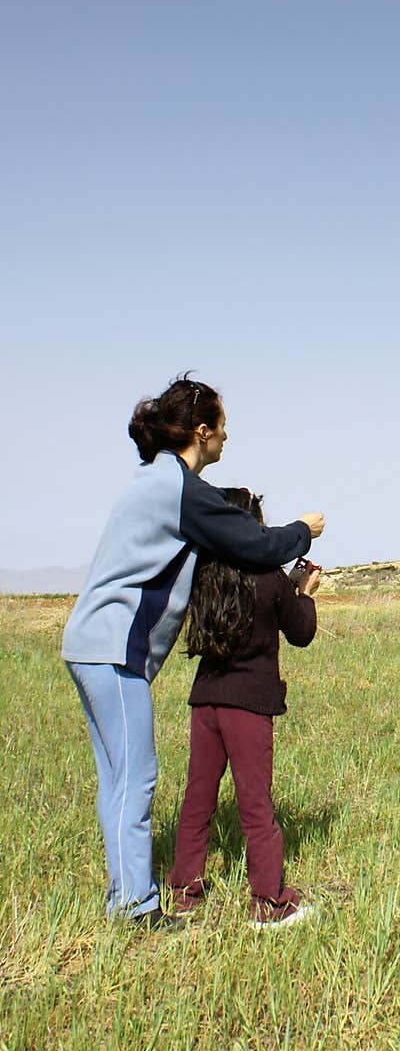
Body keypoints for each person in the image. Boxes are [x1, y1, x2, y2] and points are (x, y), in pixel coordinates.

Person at [62, 374, 325, 931]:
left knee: (117, 779)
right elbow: (253, 542)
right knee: (137, 779)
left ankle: (123, 898)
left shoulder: (151, 482)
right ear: (201, 432)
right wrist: (303, 530)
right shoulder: (176, 487)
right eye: (222, 428)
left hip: (89, 644)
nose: (227, 438)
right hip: (112, 650)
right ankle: (138, 910)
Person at [168, 489, 321, 928]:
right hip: (249, 705)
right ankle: (269, 902)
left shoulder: (205, 573)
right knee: (256, 805)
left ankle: (184, 893)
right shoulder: (270, 576)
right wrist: (304, 590)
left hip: (206, 700)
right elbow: (301, 631)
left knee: (197, 800)